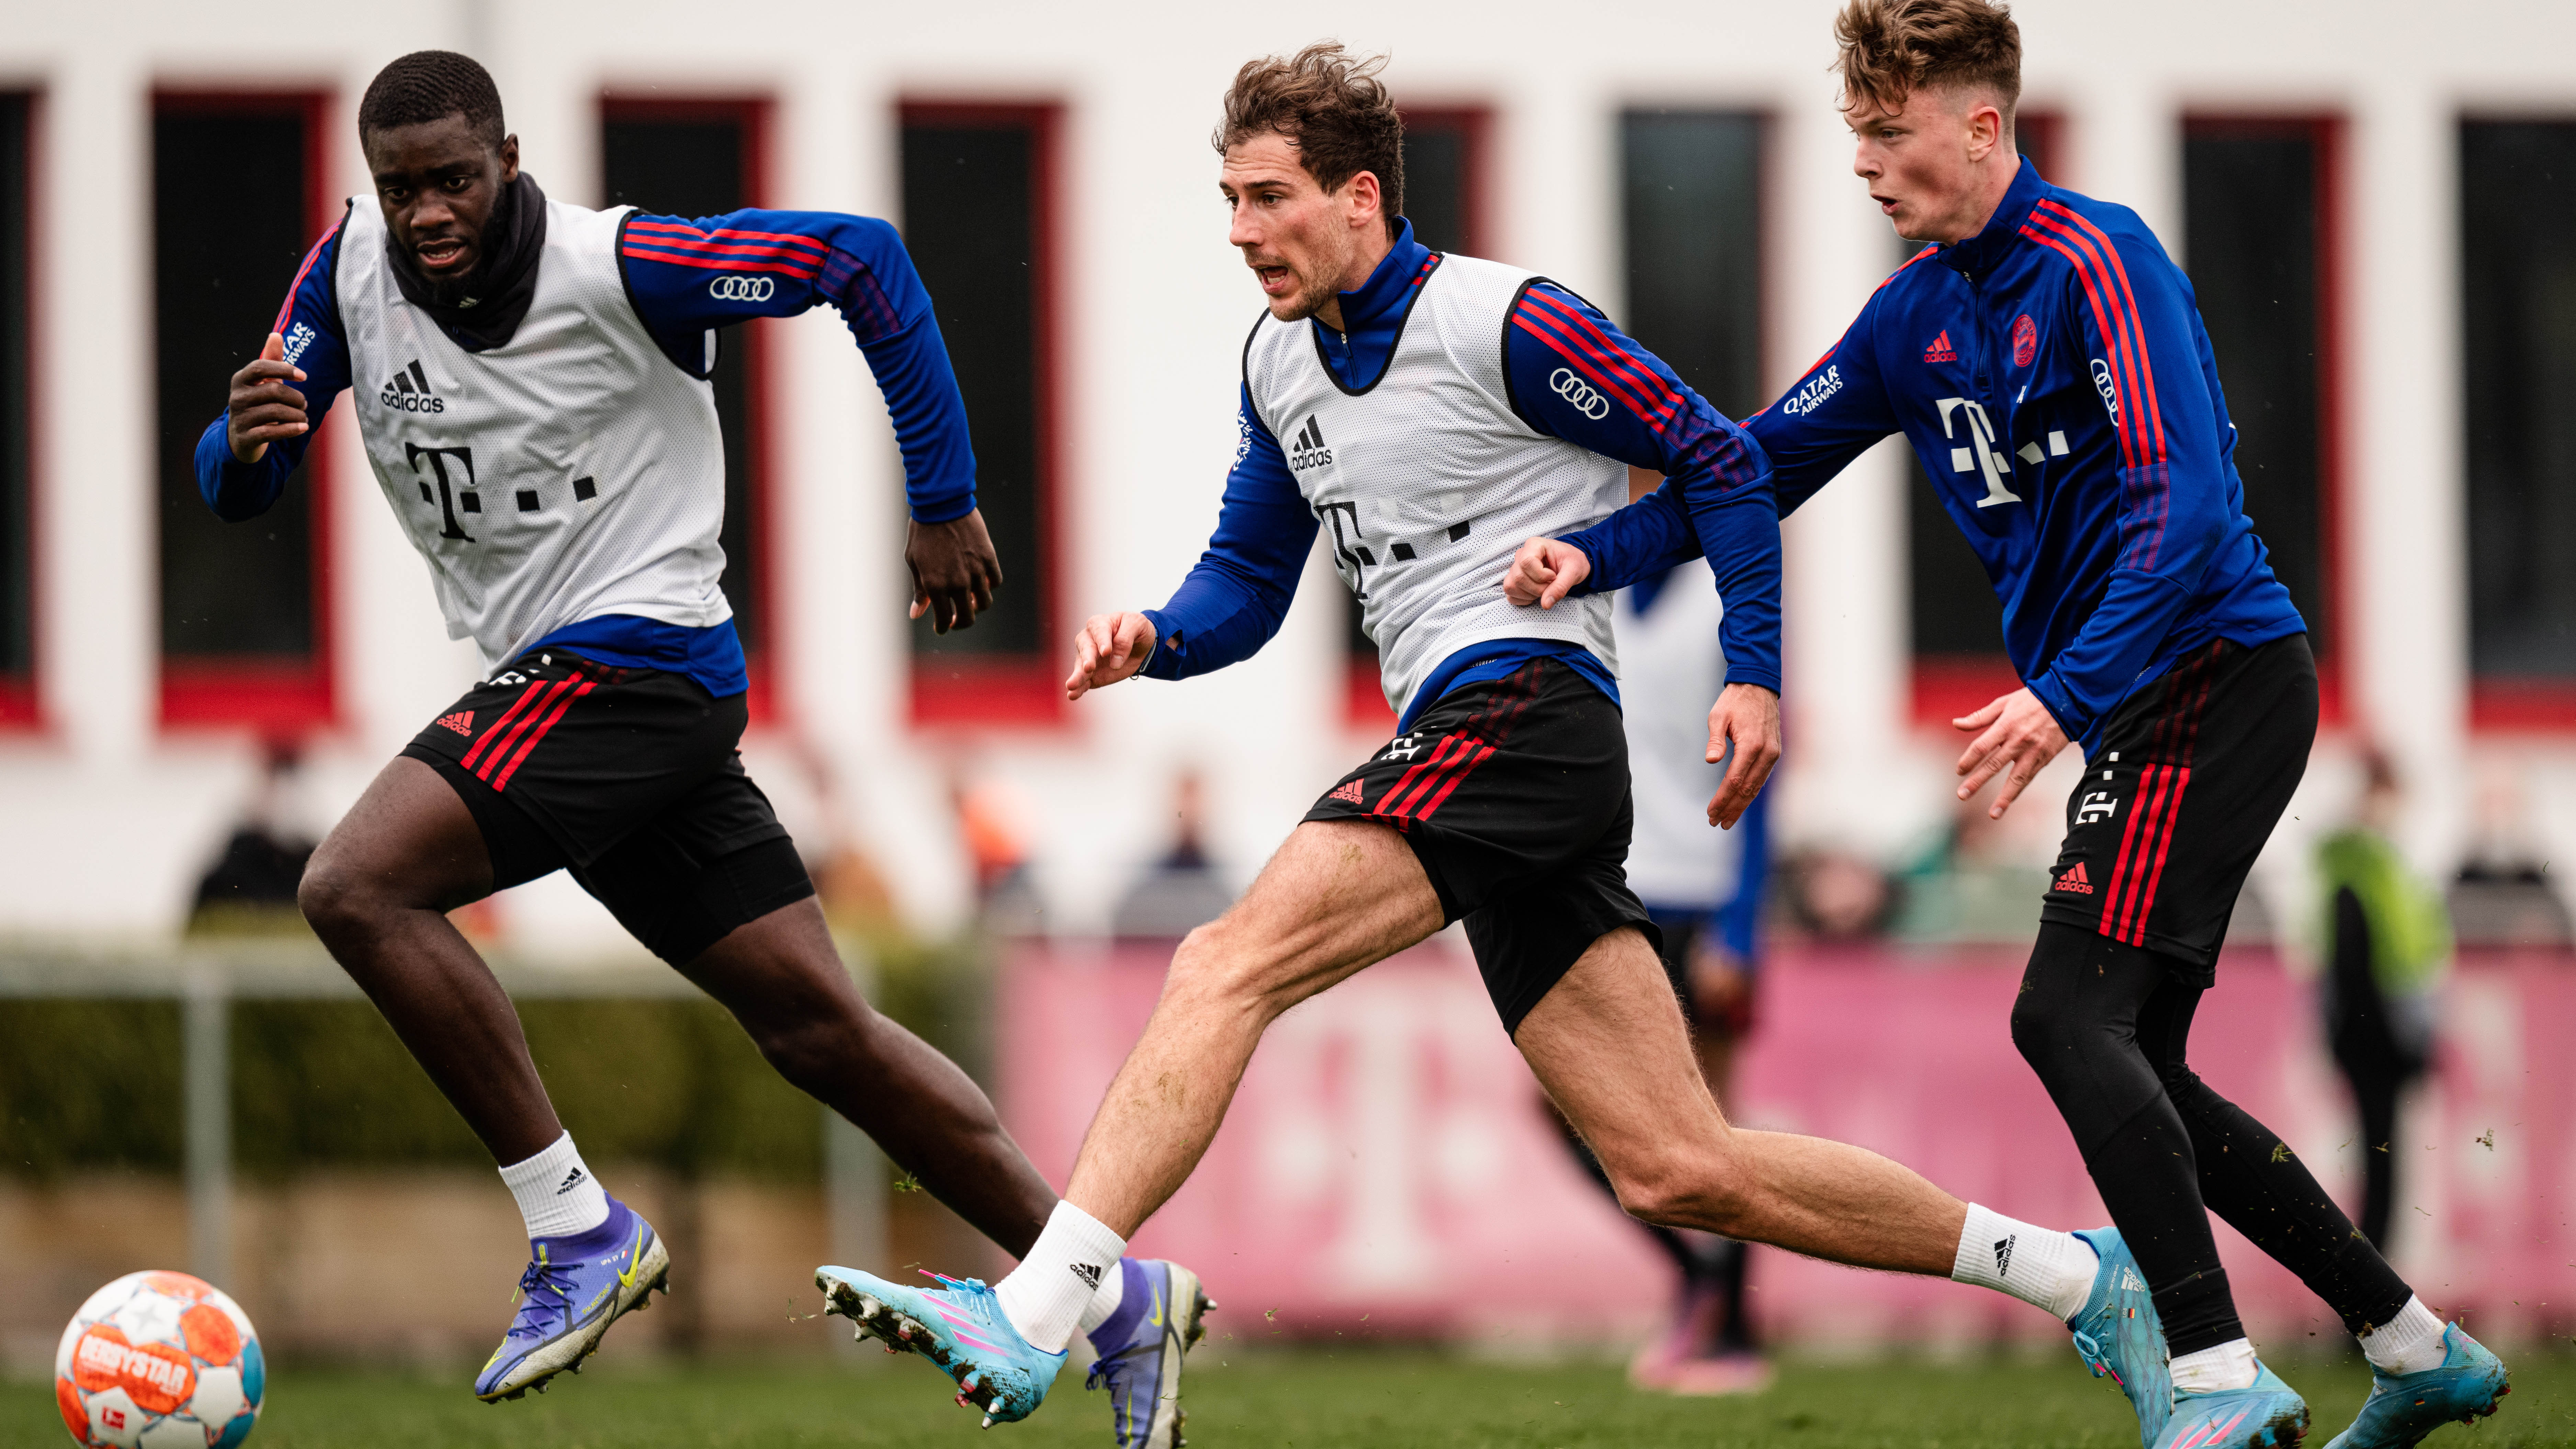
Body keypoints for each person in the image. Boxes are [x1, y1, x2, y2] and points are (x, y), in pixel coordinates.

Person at [820, 43, 2169, 1441]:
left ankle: (1055, 1304)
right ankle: (2084, 1277)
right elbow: (1249, 581)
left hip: (1523, 713)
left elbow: (1722, 459)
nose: (1239, 231)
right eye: (1227, 198)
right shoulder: (1277, 361)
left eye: (1268, 197)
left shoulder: (1502, 319)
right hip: (1501, 752)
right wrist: (1158, 635)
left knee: (1227, 959)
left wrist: (1757, 676)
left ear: (1361, 197)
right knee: (1678, 1164)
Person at [1503, 4, 2509, 1445]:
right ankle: (2413, 1344)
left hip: (2214, 675)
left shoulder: (2104, 264)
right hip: (2140, 699)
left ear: (1983, 127)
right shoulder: (1913, 314)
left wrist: (2060, 696)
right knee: (2134, 1057)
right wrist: (1591, 556)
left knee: (2063, 1015)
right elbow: (1754, 466)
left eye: (1889, 133)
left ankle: (2217, 1380)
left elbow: (2187, 509)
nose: (1863, 162)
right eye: (1853, 134)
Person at [198, 52, 1204, 1442]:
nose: (425, 211)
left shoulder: (627, 266)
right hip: (573, 694)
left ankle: (576, 1230)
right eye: (398, 185)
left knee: (354, 886)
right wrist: (240, 450)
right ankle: (1113, 1296)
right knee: (822, 1031)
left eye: (452, 178)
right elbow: (247, 460)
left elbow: (866, 261)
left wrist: (946, 497)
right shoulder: (346, 273)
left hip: (636, 664)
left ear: (506, 156)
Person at [1558, 532, 1776, 1396]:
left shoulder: (1722, 604)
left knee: (1718, 1124)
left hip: (1702, 888)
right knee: (1561, 1101)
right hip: (1617, 885)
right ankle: (1702, 1281)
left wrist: (1745, 927)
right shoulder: (1592, 593)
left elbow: (1766, 769)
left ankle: (1734, 1332)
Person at [2316, 751, 2449, 1254]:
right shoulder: (2367, 867)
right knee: (2381, 1163)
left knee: (2381, 1161)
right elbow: (2364, 963)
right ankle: (2370, 1292)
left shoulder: (2376, 864)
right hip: (2375, 1034)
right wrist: (2402, 1040)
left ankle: (2371, 1288)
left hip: (2374, 1031)